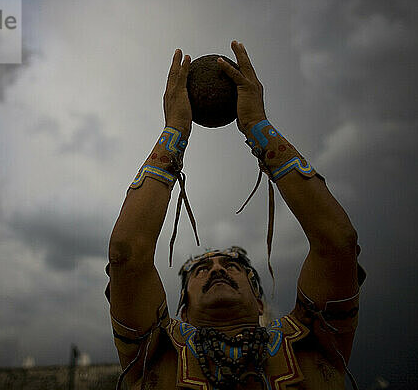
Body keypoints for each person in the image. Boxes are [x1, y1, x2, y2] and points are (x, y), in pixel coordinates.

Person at [106, 40, 365, 389]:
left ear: (259, 300)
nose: (216, 268)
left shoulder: (315, 343)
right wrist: (175, 130)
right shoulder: (154, 356)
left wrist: (257, 124)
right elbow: (127, 254)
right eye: (202, 269)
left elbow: (338, 243)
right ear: (182, 312)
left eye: (232, 267)